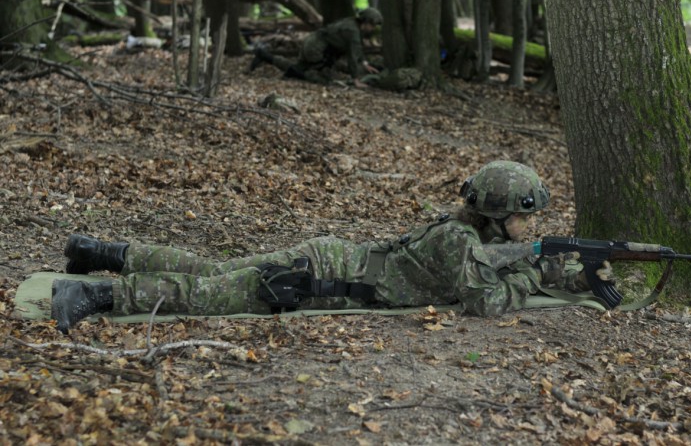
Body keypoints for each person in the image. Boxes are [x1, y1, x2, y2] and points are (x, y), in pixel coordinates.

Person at [51, 161, 610, 334]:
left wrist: (546, 263)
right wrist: (538, 276)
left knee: (215, 269)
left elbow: (495, 265)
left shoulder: (468, 231)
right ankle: (95, 294)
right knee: (207, 292)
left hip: (326, 257)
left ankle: (101, 249)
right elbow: (483, 303)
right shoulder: (459, 241)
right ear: (497, 214)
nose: (528, 225)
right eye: (522, 216)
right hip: (319, 279)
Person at [249, 7, 383, 86]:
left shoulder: (352, 24)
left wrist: (364, 63)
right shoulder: (352, 31)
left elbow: (357, 48)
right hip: (316, 49)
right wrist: (355, 80)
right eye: (373, 25)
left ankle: (265, 56)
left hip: (313, 44)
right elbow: (353, 55)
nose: (372, 28)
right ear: (367, 21)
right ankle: (296, 73)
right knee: (324, 81)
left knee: (297, 67)